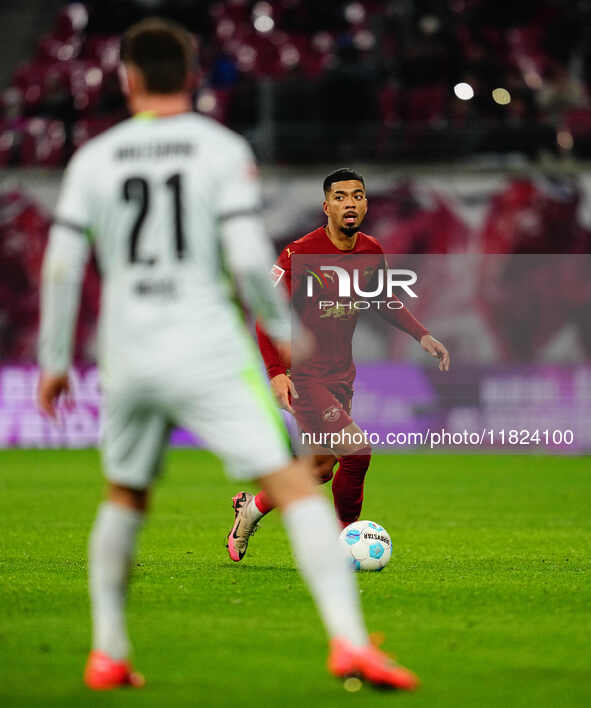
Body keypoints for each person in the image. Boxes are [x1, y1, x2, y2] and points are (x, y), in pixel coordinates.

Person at [37, 19, 419, 692]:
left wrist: (53, 360)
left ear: (126, 80)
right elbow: (247, 259)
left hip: (126, 348)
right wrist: (280, 339)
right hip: (206, 344)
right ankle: (349, 645)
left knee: (124, 494)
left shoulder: (94, 160)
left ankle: (108, 653)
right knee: (299, 482)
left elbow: (63, 265)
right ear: (191, 79)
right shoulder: (218, 150)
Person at [227, 168, 450, 561]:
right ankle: (344, 541)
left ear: (365, 204)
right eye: (342, 196)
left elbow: (383, 300)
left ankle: (251, 510)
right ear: (326, 205)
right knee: (358, 451)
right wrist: (277, 373)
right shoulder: (298, 254)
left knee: (317, 468)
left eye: (358, 196)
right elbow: (267, 316)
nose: (351, 203)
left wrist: (422, 334)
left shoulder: (370, 251)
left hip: (342, 376)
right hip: (305, 376)